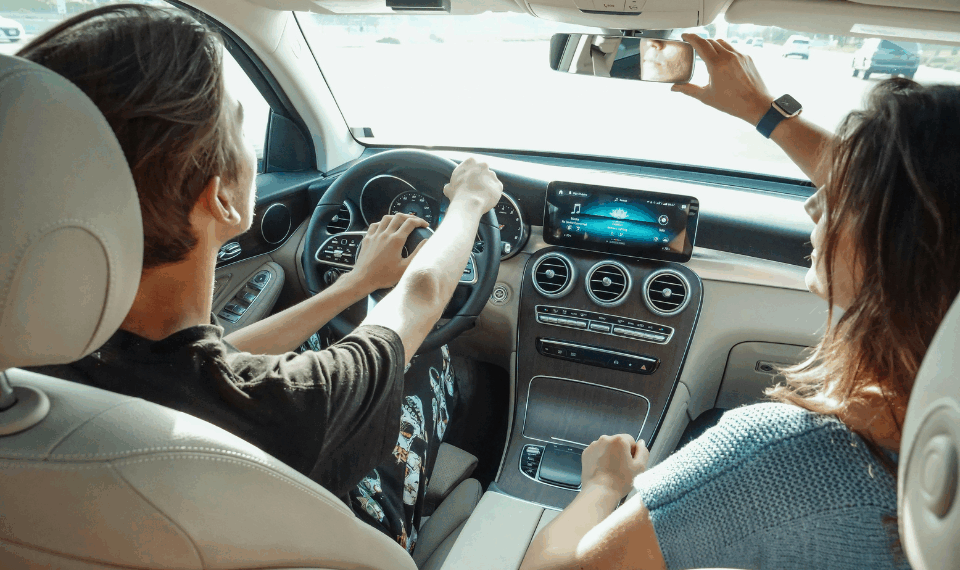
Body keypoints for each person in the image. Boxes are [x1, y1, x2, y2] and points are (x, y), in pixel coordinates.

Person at [20, 4, 503, 554]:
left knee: (328, 335)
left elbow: (205, 362)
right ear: (221, 196)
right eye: (238, 127)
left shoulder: (43, 362)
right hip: (343, 542)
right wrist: (469, 203)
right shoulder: (292, 406)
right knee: (423, 359)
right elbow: (420, 298)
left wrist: (350, 287)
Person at [520, 33, 960, 570]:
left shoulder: (784, 461)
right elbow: (922, 199)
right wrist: (762, 111)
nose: (815, 202)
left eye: (853, 191)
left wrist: (602, 486)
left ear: (899, 247)